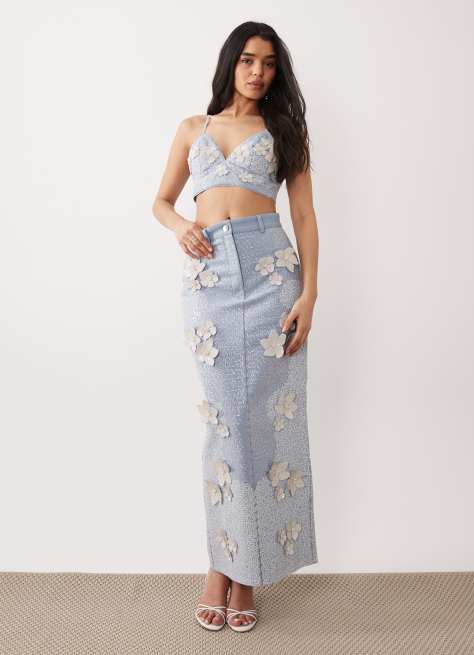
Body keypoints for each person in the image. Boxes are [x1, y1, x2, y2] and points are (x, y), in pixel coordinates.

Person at [152, 21, 319, 633]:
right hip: (210, 277)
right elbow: (161, 201)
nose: (258, 72)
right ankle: (221, 564)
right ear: (231, 63)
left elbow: (303, 214)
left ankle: (243, 574)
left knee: (259, 422)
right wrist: (181, 227)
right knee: (223, 422)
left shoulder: (283, 130)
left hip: (272, 274)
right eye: (248, 60)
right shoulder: (192, 128)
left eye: (269, 64)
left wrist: (311, 293)